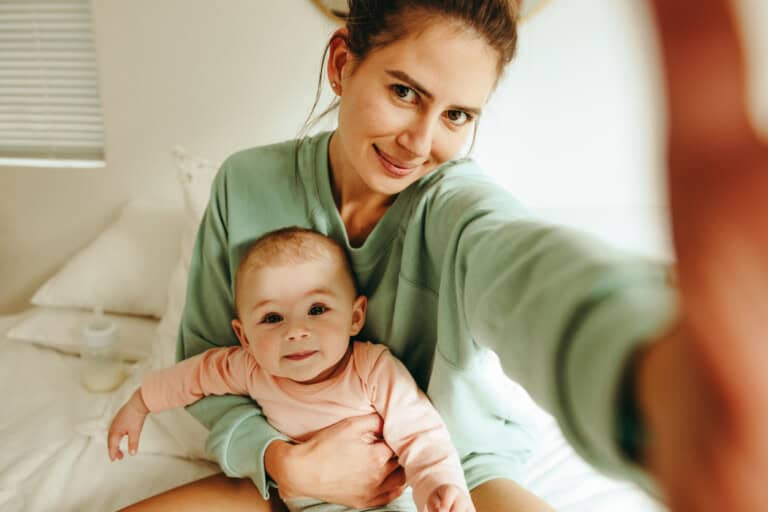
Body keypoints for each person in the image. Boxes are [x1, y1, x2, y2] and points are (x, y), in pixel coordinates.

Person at [119, 0, 768, 511]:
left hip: (458, 471)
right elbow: (204, 359)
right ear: (343, 64)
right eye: (404, 92)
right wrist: (281, 461)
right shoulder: (245, 185)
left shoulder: (458, 209)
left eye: (457, 116)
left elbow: (531, 277)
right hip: (297, 465)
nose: (421, 142)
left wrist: (654, 380)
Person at [107, 227, 476, 512]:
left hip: (385, 504)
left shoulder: (372, 369)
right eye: (272, 318)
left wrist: (441, 488)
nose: (296, 331)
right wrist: (140, 404)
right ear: (244, 337)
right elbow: (195, 376)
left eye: (317, 309)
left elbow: (423, 438)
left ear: (355, 316)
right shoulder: (252, 369)